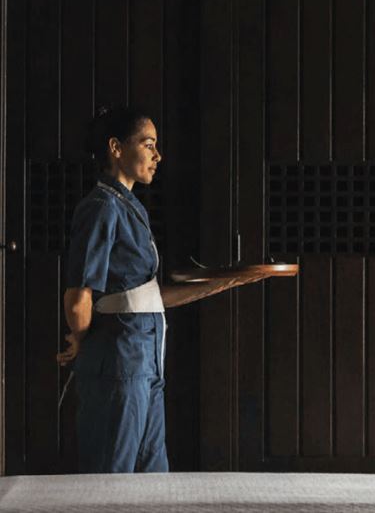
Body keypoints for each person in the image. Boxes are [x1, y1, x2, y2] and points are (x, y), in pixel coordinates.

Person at [56, 104, 267, 473]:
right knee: (113, 474)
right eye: (148, 144)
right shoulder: (101, 207)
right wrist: (80, 339)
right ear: (116, 148)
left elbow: (148, 298)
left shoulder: (130, 207)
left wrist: (233, 280)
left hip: (145, 357)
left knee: (153, 474)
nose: (158, 156)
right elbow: (78, 299)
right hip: (118, 359)